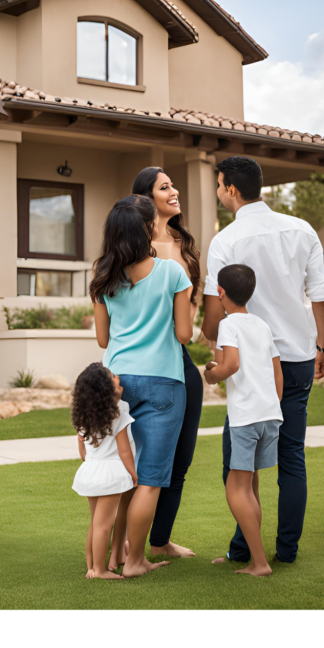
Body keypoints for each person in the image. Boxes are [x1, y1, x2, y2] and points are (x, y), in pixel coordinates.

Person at [201, 156, 324, 564]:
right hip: (294, 359)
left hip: (248, 364)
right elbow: (321, 294)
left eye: (220, 185)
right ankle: (285, 552)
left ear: (232, 191)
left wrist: (213, 339)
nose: (219, 191)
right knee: (291, 455)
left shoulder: (225, 241)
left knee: (239, 461)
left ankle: (244, 550)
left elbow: (211, 316)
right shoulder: (302, 229)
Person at [91, 194, 194, 578]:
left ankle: (116, 555)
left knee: (124, 477)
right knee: (150, 480)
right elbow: (184, 335)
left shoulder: (103, 276)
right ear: (148, 228)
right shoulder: (172, 273)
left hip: (117, 382)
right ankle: (134, 562)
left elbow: (103, 339)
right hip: (164, 382)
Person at [131, 166, 203, 559]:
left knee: (181, 460)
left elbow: (190, 314)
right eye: (165, 187)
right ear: (147, 197)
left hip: (181, 359)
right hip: (145, 362)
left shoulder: (184, 243)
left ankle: (159, 541)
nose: (175, 191)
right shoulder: (132, 246)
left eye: (173, 184)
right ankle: (131, 543)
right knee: (139, 462)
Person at [203, 264, 284, 577]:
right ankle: (253, 557)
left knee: (236, 489)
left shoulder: (228, 324)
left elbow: (232, 365)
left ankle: (260, 563)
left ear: (220, 293)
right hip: (269, 415)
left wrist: (211, 376)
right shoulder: (261, 324)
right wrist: (273, 402)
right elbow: (275, 368)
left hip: (245, 418)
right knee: (251, 486)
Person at [71, 362, 138, 580]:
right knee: (103, 525)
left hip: (90, 470)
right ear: (106, 388)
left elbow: (82, 448)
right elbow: (125, 450)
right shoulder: (118, 411)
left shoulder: (85, 414)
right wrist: (134, 474)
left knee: (95, 523)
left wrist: (91, 460)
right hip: (110, 473)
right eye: (114, 377)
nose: (118, 378)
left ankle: (91, 567)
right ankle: (100, 570)